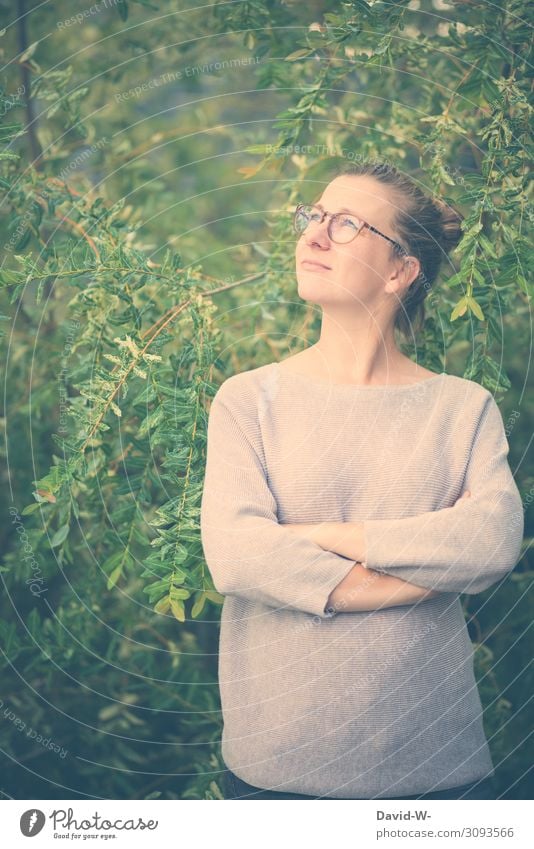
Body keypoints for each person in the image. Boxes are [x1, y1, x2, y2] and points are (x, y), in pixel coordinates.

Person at [200, 161, 524, 800]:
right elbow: (237, 556)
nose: (314, 236)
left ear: (401, 271)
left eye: (346, 224)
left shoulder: (463, 407)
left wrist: (320, 536)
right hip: (277, 772)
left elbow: (492, 541)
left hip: (436, 769)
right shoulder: (248, 400)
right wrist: (418, 576)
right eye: (314, 216)